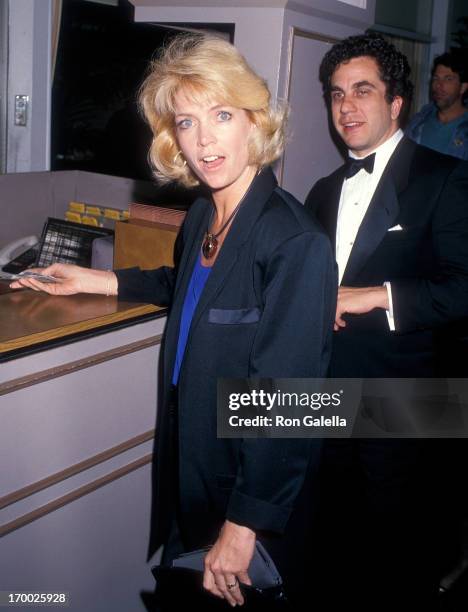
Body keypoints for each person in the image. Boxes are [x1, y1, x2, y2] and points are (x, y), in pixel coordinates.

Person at [12, 34, 336, 609]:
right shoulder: (204, 216)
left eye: (221, 115)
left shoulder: (294, 242)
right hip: (190, 463)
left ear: (253, 121)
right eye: (186, 122)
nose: (205, 139)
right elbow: (186, 288)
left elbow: (290, 401)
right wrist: (101, 279)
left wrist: (244, 525)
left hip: (240, 483)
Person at [304, 33, 468, 611]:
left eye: (363, 91)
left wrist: (376, 296)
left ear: (396, 103)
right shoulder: (323, 192)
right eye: (336, 94)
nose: (346, 105)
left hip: (411, 399)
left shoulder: (444, 177)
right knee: (331, 547)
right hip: (326, 398)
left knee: (396, 559)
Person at [406, 51, 468, 159]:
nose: (439, 85)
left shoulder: (464, 129)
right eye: (436, 78)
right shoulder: (418, 122)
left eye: (448, 79)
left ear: (463, 87)